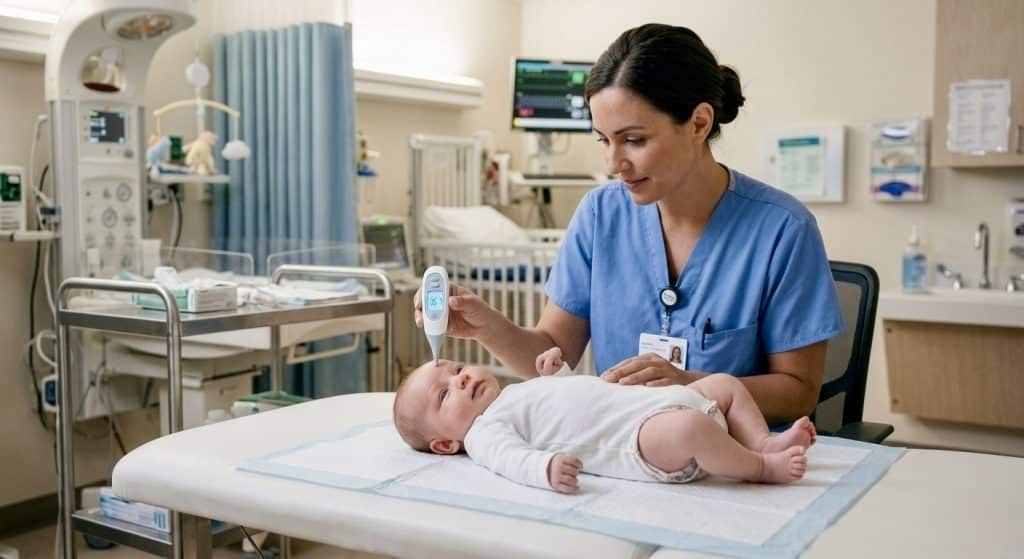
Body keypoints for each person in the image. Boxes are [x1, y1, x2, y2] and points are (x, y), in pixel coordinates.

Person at [415, 23, 843, 424]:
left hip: (738, 462)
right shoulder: (601, 215)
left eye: (634, 140)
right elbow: (553, 356)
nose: (613, 163)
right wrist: (488, 326)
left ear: (698, 123)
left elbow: (798, 390)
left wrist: (690, 387)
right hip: (622, 454)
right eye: (604, 140)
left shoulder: (782, 230)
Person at [393, 347, 814, 494]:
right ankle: (760, 467)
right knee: (691, 430)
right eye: (445, 393)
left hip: (658, 401)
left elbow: (579, 399)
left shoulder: (515, 395)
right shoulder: (485, 434)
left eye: (455, 368)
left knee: (724, 383)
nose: (460, 377)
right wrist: (546, 468)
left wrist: (557, 374)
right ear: (446, 445)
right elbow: (511, 460)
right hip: (642, 440)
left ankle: (760, 441)